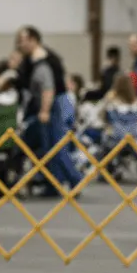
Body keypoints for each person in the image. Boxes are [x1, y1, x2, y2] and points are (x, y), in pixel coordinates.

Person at [14, 26, 80, 197]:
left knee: (57, 146)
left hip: (54, 104)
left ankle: (75, 181)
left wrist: (45, 110)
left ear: (33, 40)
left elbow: (48, 89)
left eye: (23, 40)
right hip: (45, 104)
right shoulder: (30, 61)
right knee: (46, 147)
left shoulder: (46, 61)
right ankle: (53, 185)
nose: (20, 44)